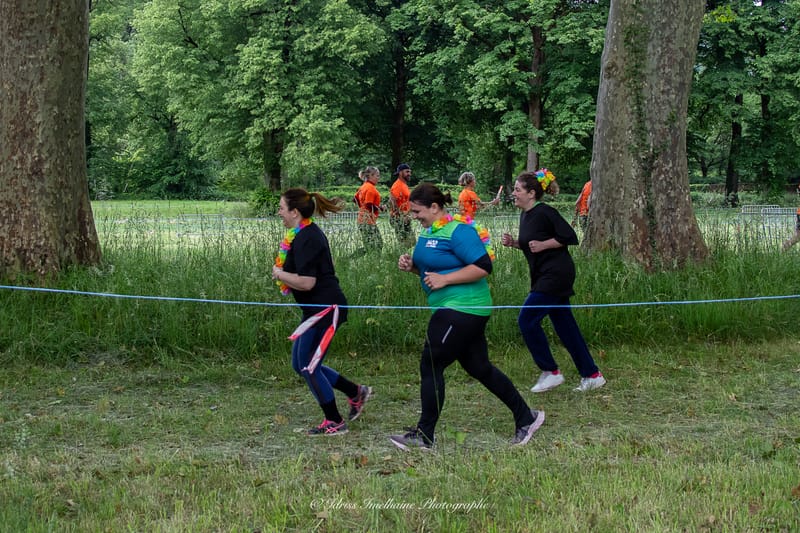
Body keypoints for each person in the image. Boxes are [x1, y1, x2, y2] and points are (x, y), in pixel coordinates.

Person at [390, 183, 544, 450]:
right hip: (450, 307)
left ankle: (424, 435)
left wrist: (446, 279)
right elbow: (434, 270)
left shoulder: (458, 231)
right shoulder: (429, 232)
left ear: (435, 207)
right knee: (479, 367)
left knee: (431, 363)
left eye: (417, 211)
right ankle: (526, 417)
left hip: (464, 307)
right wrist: (413, 267)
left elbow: (484, 266)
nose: (414, 216)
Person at [272, 188, 373, 435]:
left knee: (309, 366)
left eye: (282, 208)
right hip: (314, 310)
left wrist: (279, 274)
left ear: (295, 212)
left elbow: (307, 282)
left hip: (326, 309)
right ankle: (355, 391)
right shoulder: (301, 234)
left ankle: (334, 421)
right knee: (300, 364)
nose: (279, 212)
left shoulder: (308, 238)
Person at [501, 169, 606, 393]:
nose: (514, 193)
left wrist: (544, 245)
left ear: (531, 193)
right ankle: (592, 375)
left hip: (556, 275)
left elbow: (569, 236)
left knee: (527, 320)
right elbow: (531, 244)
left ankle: (551, 372)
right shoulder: (525, 215)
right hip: (542, 274)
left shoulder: (545, 212)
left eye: (518, 190)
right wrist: (515, 243)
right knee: (566, 327)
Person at [354, 166, 384, 252]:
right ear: (370, 175)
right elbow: (368, 204)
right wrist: (379, 208)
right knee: (378, 244)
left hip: (362, 220)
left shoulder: (363, 186)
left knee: (370, 245)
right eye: (377, 175)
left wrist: (361, 208)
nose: (378, 178)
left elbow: (354, 199)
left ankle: (352, 258)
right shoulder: (370, 188)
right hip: (368, 221)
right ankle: (352, 257)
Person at [389, 163, 415, 247]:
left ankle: (403, 253)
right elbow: (392, 201)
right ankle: (400, 254)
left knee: (411, 242)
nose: (409, 174)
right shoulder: (398, 185)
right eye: (407, 172)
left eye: (410, 172)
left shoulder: (404, 185)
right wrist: (401, 216)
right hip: (399, 218)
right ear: (400, 173)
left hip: (405, 217)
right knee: (405, 243)